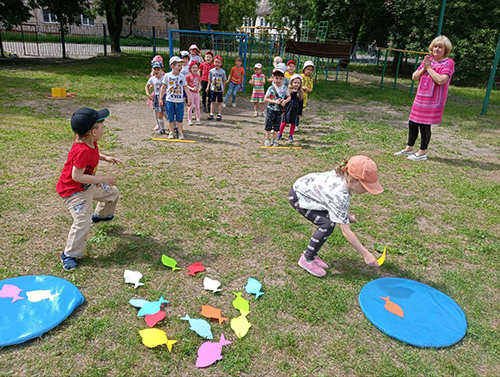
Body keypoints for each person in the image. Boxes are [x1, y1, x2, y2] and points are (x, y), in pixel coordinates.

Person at [289, 156, 383, 277]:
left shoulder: (342, 178)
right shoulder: (339, 194)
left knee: (329, 222)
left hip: (309, 191)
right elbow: (346, 231)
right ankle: (307, 259)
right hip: (299, 197)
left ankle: (311, 254)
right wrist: (366, 254)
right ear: (352, 182)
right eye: (366, 187)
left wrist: (345, 215)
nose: (368, 190)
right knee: (327, 225)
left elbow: (332, 202)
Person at [56, 107, 121, 271]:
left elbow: (94, 153)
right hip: (74, 192)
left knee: (112, 193)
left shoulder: (89, 142)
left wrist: (106, 158)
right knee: (81, 221)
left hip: (87, 185)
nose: (104, 129)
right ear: (93, 131)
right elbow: (76, 176)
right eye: (102, 126)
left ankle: (101, 216)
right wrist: (103, 179)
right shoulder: (82, 150)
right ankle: (70, 254)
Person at [394, 35, 455, 161]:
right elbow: (414, 77)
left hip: (434, 100)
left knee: (424, 125)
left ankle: (422, 152)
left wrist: (429, 68)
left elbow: (441, 80)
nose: (437, 49)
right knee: (412, 123)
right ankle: (409, 148)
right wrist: (425, 67)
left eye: (440, 47)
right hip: (420, 98)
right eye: (435, 47)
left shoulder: (448, 63)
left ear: (445, 50)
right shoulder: (428, 61)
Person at [160, 56, 192, 139]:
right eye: (179, 65)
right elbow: (163, 88)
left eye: (181, 65)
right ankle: (171, 132)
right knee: (170, 117)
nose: (181, 67)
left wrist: (189, 98)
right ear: (172, 66)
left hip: (179, 101)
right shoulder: (167, 76)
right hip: (169, 101)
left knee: (179, 118)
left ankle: (180, 132)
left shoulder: (182, 77)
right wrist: (160, 99)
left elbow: (186, 88)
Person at [263, 66, 290, 147]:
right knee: (269, 124)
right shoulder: (271, 88)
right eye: (276, 78)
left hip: (279, 110)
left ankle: (275, 140)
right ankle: (267, 139)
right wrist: (274, 101)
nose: (278, 80)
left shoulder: (285, 88)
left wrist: (285, 101)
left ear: (283, 79)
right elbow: (265, 99)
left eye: (280, 78)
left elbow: (289, 96)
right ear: (273, 78)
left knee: (277, 125)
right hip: (271, 109)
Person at [277, 73, 303, 142]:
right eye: (295, 82)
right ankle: (280, 134)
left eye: (298, 83)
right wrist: (283, 109)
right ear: (291, 83)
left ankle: (291, 135)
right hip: (288, 109)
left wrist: (300, 113)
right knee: (284, 122)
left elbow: (301, 104)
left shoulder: (300, 92)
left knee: (293, 123)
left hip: (295, 110)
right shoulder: (288, 92)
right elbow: (284, 101)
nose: (296, 84)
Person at [145, 61, 167, 134]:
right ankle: (160, 127)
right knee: (157, 112)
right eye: (155, 69)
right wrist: (148, 94)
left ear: (161, 70)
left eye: (158, 69)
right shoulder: (152, 79)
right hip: (156, 96)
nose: (156, 71)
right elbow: (147, 86)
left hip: (164, 96)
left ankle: (173, 125)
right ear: (152, 70)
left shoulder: (164, 78)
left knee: (164, 112)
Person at [207, 55, 226, 121]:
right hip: (213, 89)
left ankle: (219, 114)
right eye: (216, 62)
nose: (217, 64)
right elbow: (209, 79)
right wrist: (208, 87)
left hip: (220, 89)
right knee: (212, 101)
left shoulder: (222, 72)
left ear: (221, 64)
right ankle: (211, 113)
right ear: (213, 63)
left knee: (220, 102)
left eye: (218, 62)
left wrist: (223, 88)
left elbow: (224, 80)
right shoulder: (211, 71)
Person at [186, 61, 201, 125]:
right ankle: (189, 119)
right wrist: (192, 88)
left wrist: (199, 88)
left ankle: (198, 119)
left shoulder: (198, 76)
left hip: (197, 93)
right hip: (191, 93)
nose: (195, 69)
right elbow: (186, 85)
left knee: (197, 106)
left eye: (196, 68)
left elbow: (200, 84)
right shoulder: (188, 76)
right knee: (191, 106)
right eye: (193, 68)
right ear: (190, 69)